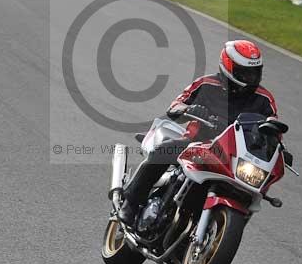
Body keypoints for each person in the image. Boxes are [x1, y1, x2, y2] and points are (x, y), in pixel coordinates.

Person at [118, 39, 278, 226]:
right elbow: (176, 105)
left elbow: (272, 124)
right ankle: (131, 202)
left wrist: (274, 136)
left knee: (250, 190)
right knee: (162, 151)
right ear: (228, 67)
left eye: (255, 72)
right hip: (197, 144)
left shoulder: (265, 99)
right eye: (245, 72)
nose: (251, 77)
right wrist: (189, 109)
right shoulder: (206, 84)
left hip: (233, 156)